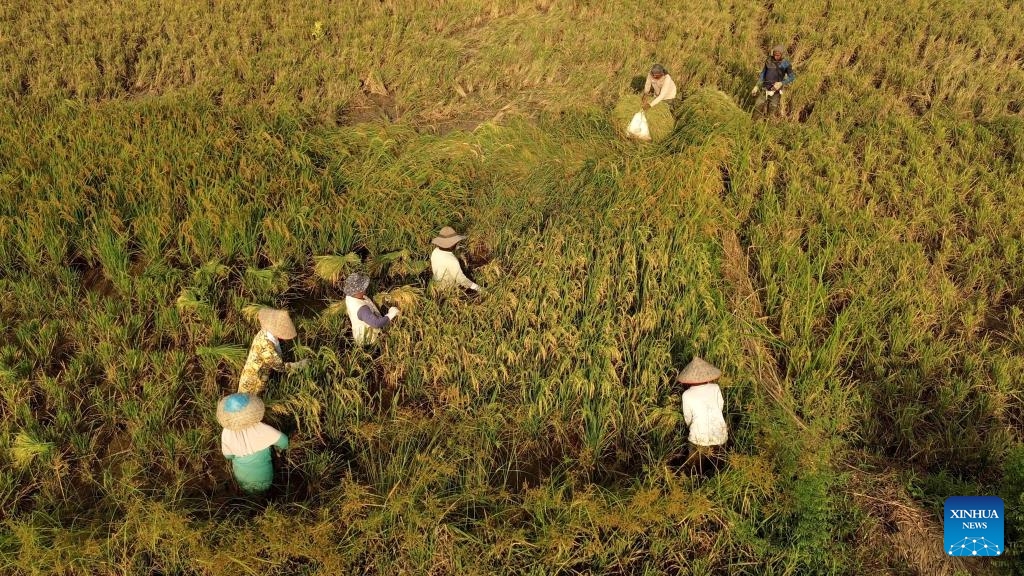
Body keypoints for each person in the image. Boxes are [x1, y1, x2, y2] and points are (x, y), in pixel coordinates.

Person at [217, 393, 289, 494]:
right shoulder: (262, 428)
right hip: (265, 479)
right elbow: (284, 441)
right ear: (253, 411)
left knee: (249, 494)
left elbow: (228, 456)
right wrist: (279, 449)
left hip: (243, 480)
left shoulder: (226, 433)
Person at [238, 308, 308, 395]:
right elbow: (280, 367)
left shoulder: (264, 331)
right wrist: (300, 364)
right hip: (254, 383)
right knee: (250, 404)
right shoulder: (266, 347)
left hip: (252, 373)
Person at [678, 356, 728, 450]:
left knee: (694, 464)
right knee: (718, 464)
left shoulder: (687, 394)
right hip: (720, 436)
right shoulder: (715, 388)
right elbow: (720, 406)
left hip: (698, 439)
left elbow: (688, 418)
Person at [343, 272, 400, 345]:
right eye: (363, 288)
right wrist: (391, 314)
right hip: (368, 341)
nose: (365, 289)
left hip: (360, 333)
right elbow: (376, 323)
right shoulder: (361, 309)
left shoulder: (351, 296)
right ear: (358, 291)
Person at [750, 45, 796, 118]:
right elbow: (763, 74)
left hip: (776, 90)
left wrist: (781, 83)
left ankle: (768, 125)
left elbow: (792, 77)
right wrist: (756, 86)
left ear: (782, 55)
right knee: (758, 105)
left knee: (772, 108)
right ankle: (753, 123)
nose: (775, 57)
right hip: (765, 88)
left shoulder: (785, 63)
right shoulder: (768, 60)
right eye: (774, 55)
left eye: (777, 55)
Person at [431, 226, 480, 292]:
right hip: (449, 291)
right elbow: (463, 281)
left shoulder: (435, 251)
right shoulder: (452, 260)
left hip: (436, 287)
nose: (457, 243)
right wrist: (480, 289)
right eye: (455, 242)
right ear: (451, 244)